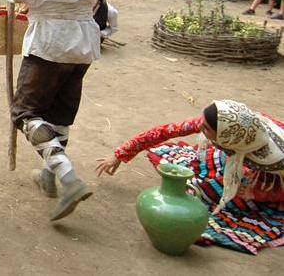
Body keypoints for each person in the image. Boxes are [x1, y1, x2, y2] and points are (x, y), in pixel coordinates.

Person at [1, 0, 104, 221]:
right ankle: (48, 175)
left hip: (52, 40)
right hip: (83, 41)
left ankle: (68, 176)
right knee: (59, 114)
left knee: (25, 113)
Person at [96, 101, 284, 254]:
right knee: (207, 169)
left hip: (275, 178)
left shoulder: (275, 157)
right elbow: (165, 131)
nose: (199, 127)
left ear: (227, 137)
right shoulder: (232, 125)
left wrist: (260, 193)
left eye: (206, 128)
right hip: (241, 157)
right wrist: (120, 153)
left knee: (229, 196)